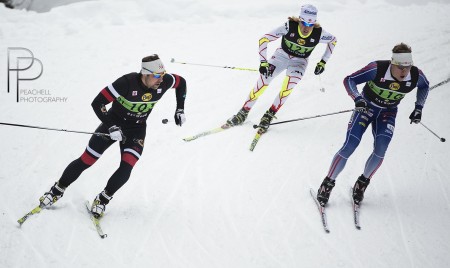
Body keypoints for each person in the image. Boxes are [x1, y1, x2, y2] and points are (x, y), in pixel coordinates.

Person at [37, 54, 187, 218]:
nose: (161, 79)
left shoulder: (164, 81)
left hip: (136, 130)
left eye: (163, 74)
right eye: (157, 75)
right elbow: (97, 103)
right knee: (87, 159)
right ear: (145, 73)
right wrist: (111, 126)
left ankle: (102, 200)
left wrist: (180, 109)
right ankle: (57, 190)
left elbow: (182, 83)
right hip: (113, 124)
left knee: (126, 167)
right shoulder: (126, 83)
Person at [316, 43, 430, 207]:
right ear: (392, 63)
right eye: (400, 68)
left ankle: (362, 182)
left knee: (381, 149)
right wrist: (357, 98)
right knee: (350, 145)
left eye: (407, 67)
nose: (404, 72)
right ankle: (328, 183)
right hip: (367, 108)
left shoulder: (415, 75)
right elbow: (349, 80)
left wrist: (419, 108)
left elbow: (425, 86)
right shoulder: (377, 68)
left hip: (388, 112)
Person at [226, 4, 337, 132]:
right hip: (281, 57)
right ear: (300, 20)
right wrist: (263, 62)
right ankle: (243, 112)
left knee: (290, 83)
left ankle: (270, 114)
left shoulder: (320, 34)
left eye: (310, 25)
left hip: (299, 62)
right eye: (304, 23)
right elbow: (264, 39)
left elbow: (333, 41)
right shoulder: (289, 26)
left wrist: (323, 62)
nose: (306, 28)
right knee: (264, 80)